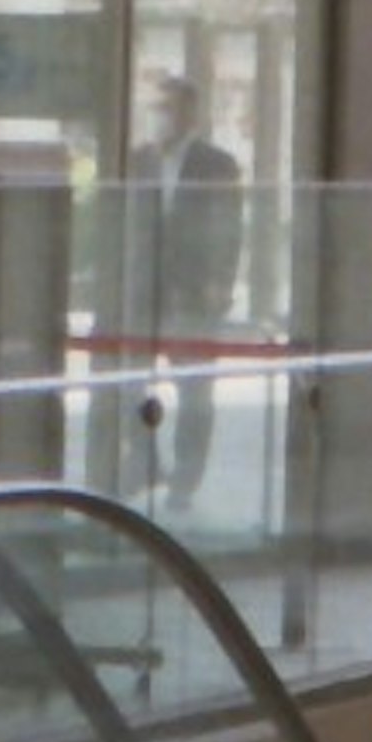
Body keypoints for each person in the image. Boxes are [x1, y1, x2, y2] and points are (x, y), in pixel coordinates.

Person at [133, 66, 244, 503]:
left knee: (194, 393)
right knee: (129, 384)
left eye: (167, 109)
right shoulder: (136, 160)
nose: (158, 117)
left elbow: (229, 229)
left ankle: (185, 478)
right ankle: (144, 463)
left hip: (194, 294)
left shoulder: (217, 166)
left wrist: (219, 284)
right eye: (154, 108)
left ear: (189, 117)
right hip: (144, 290)